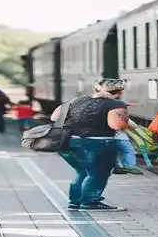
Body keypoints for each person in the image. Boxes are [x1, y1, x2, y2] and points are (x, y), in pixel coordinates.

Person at [52, 78, 130, 212]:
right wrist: (124, 116)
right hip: (97, 144)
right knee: (98, 174)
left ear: (95, 89)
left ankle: (74, 203)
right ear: (120, 92)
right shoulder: (116, 104)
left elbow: (54, 117)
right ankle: (90, 201)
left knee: (82, 172)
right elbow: (117, 125)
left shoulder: (76, 100)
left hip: (69, 142)